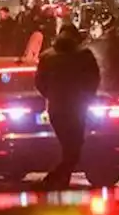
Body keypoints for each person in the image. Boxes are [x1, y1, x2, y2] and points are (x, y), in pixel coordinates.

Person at [35, 24, 101, 190]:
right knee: (74, 148)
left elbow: (39, 82)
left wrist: (51, 96)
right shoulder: (84, 55)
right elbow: (94, 79)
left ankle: (60, 181)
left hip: (56, 108)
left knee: (68, 147)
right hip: (77, 107)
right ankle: (52, 179)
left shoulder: (47, 57)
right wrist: (87, 97)